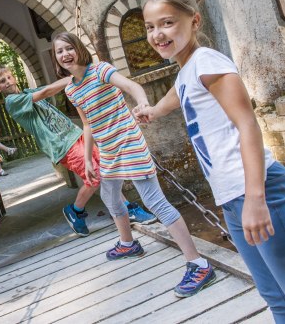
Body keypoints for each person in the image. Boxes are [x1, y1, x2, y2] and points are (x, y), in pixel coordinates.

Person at [135, 0, 285, 319]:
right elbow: (179, 93)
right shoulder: (189, 68)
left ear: (195, 21)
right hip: (232, 198)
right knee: (274, 296)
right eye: (149, 27)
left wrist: (256, 199)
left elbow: (248, 125)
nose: (157, 34)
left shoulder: (207, 61)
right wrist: (154, 111)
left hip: (259, 192)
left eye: (167, 23)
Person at [51, 31, 215, 298]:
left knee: (155, 202)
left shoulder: (101, 71)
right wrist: (91, 158)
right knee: (109, 195)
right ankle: (128, 243)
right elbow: (87, 123)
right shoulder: (71, 89)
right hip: (106, 151)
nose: (65, 54)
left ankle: (198, 263)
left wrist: (142, 103)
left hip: (128, 142)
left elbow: (131, 87)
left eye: (68, 48)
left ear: (78, 49)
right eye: (59, 51)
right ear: (56, 58)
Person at [0, 67, 157, 239]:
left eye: (9, 77)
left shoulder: (28, 91)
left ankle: (125, 208)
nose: (8, 81)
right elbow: (47, 91)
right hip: (61, 144)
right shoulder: (12, 101)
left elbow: (51, 87)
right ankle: (76, 210)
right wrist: (75, 77)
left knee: (106, 169)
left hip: (75, 134)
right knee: (95, 176)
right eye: (2, 81)